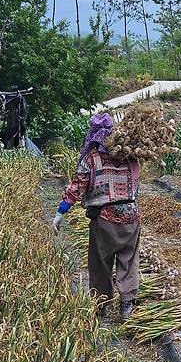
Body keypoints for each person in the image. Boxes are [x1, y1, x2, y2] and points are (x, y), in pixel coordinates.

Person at [53, 113, 141, 320]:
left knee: (100, 262)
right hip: (131, 218)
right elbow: (136, 185)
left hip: (105, 219)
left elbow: (77, 187)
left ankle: (102, 304)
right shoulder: (131, 157)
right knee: (128, 261)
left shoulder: (92, 159)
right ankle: (127, 305)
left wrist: (60, 213)